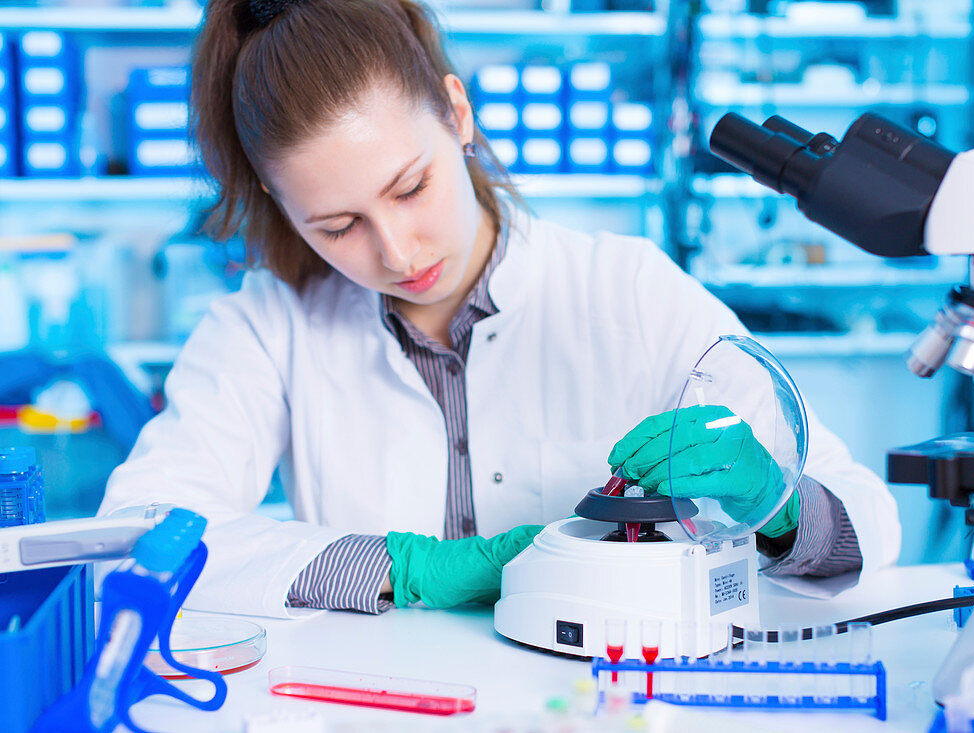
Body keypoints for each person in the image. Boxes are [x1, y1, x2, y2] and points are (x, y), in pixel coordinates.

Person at [98, 0, 900, 618]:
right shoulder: (269, 324)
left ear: (457, 113)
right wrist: (398, 568)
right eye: (337, 226)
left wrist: (778, 505)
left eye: (411, 187)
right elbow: (134, 534)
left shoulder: (625, 288)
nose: (398, 253)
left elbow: (868, 520)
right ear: (281, 202)